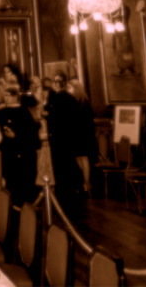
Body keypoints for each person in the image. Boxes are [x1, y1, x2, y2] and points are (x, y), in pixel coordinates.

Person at [44, 73, 84, 216]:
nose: (55, 84)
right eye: (54, 81)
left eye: (58, 81)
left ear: (63, 83)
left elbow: (62, 117)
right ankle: (65, 197)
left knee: (65, 169)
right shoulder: (56, 97)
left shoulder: (65, 99)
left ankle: (69, 198)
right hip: (59, 139)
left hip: (64, 139)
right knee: (61, 169)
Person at [0, 87, 39, 203]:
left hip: (22, 154)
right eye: (4, 95)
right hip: (7, 152)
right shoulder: (1, 112)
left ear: (15, 97)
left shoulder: (24, 112)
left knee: (22, 184)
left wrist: (16, 135)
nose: (5, 98)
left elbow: (31, 135)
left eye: (7, 95)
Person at [67, 79, 96, 194]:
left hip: (82, 134)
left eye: (70, 88)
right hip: (79, 133)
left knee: (83, 158)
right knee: (78, 158)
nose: (69, 90)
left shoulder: (82, 102)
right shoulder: (80, 101)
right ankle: (83, 182)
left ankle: (86, 182)